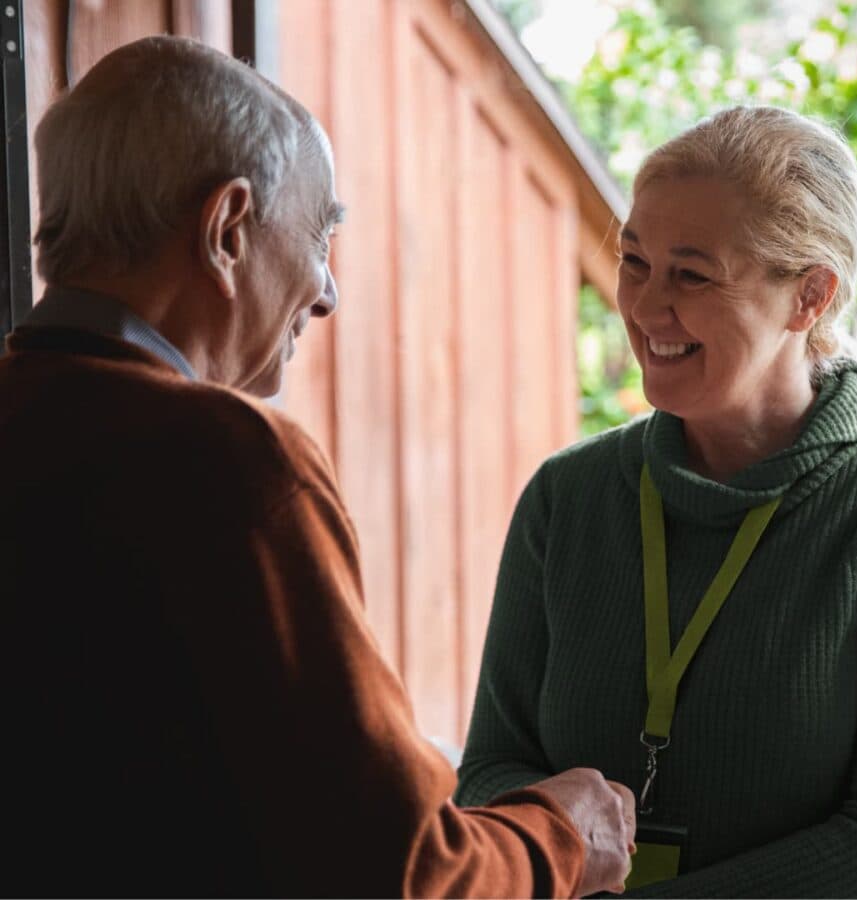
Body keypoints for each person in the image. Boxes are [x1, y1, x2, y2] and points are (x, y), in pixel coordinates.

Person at [0, 36, 636, 898]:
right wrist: (562, 836)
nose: (328, 290)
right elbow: (399, 873)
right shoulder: (224, 464)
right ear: (227, 229)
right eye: (319, 235)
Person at [456, 105, 857, 897]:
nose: (643, 309)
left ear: (810, 297)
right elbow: (491, 774)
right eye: (634, 261)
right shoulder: (566, 498)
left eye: (692, 274)